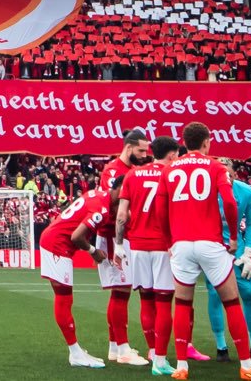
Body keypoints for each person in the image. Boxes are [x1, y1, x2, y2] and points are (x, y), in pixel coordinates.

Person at [155, 123, 251, 380]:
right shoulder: (216, 166)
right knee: (231, 301)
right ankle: (246, 365)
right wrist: (232, 238)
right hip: (210, 242)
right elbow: (229, 201)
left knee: (182, 303)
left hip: (182, 244)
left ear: (184, 142)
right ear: (206, 142)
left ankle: (182, 366)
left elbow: (160, 209)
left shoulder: (169, 169)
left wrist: (168, 241)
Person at [114, 136, 180, 374]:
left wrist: (119, 245)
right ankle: (160, 360)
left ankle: (152, 350)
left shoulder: (132, 175)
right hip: (163, 246)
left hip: (138, 246)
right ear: (171, 155)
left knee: (146, 300)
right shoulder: (172, 175)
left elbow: (122, 214)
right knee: (163, 303)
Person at [39, 188, 116, 369]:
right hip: (57, 246)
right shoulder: (102, 209)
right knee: (64, 299)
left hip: (54, 240)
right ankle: (75, 353)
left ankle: (76, 351)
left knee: (65, 299)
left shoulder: (96, 194)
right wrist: (93, 251)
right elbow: (76, 236)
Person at [95, 129, 150, 365]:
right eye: (141, 150)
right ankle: (123, 349)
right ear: (129, 148)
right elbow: (114, 205)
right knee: (121, 290)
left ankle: (115, 347)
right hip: (112, 236)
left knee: (121, 292)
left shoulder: (130, 170)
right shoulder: (113, 171)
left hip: (121, 236)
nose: (144, 155)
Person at [204, 158, 251, 363]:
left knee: (248, 293)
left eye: (229, 175)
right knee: (215, 295)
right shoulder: (204, 191)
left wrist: (248, 252)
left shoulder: (246, 191)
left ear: (234, 173)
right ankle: (221, 347)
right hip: (213, 247)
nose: (226, 179)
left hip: (237, 248)